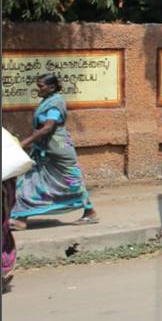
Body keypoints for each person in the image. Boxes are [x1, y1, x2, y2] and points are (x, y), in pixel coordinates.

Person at [9, 74, 98, 230]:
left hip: (58, 150)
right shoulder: (47, 101)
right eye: (38, 86)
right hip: (44, 150)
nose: (38, 89)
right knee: (28, 180)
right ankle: (21, 218)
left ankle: (90, 212)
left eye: (41, 86)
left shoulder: (56, 103)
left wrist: (25, 142)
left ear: (51, 87)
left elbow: (48, 127)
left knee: (72, 182)